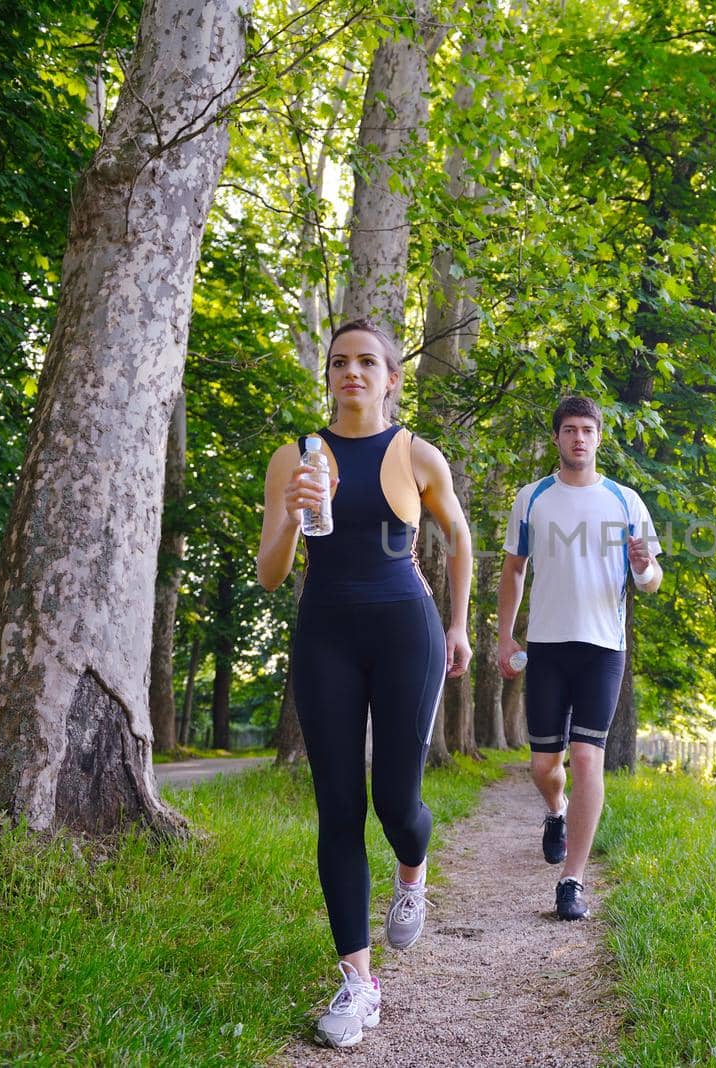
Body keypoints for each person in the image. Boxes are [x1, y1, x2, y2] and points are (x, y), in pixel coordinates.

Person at [256, 318, 473, 1049]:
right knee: (339, 807)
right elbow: (271, 573)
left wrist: (460, 625)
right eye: (340, 362)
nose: (352, 372)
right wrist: (290, 517)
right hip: (325, 635)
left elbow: (461, 534)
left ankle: (414, 871)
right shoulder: (297, 456)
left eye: (367, 362)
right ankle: (358, 982)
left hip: (406, 632)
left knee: (396, 803)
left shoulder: (414, 453)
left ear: (390, 378)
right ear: (329, 375)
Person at [497, 396, 662, 921]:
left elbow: (652, 582)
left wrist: (643, 566)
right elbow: (514, 571)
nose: (579, 439)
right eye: (569, 429)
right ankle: (556, 811)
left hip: (603, 648)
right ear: (557, 438)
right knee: (544, 765)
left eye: (587, 430)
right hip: (546, 645)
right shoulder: (532, 498)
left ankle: (573, 880)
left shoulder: (626, 501)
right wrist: (505, 638)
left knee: (587, 756)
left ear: (598, 437)